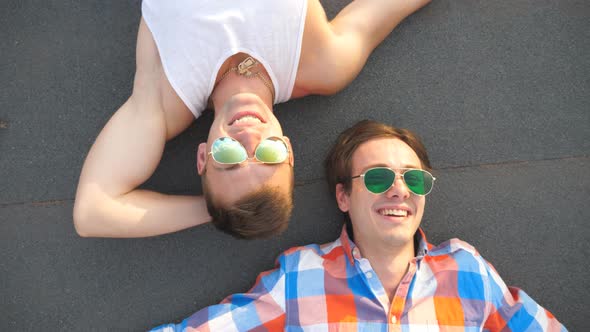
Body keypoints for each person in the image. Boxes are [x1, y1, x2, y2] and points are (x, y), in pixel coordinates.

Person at [150, 120, 566, 331]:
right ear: (342, 197)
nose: (400, 190)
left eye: (414, 178)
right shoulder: (302, 276)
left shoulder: (467, 270)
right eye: (379, 177)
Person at [73, 0, 432, 239]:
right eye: (269, 156)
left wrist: (219, 212)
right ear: (288, 150)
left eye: (229, 157)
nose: (248, 138)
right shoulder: (322, 65)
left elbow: (93, 211)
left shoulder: (162, 98)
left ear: (202, 157)